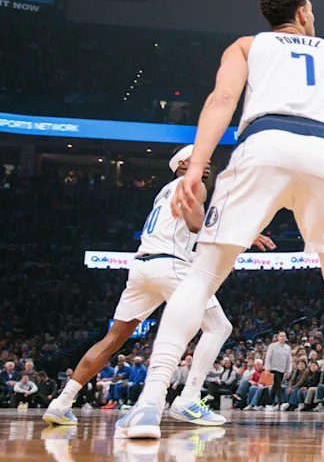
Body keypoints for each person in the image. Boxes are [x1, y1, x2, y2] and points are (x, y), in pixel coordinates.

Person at [116, 0, 324, 440]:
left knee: (202, 277)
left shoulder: (247, 45)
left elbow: (221, 101)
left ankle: (148, 405)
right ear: (302, 12)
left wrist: (196, 166)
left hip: (263, 144)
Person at [43, 148, 272, 427]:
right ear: (184, 164)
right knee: (218, 327)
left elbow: (184, 232)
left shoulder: (163, 192)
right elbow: (195, 224)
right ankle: (188, 399)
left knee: (112, 340)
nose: (209, 164)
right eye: (203, 159)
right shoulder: (194, 184)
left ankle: (62, 402)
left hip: (141, 267)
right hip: (170, 266)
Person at [264, 332, 293, 412]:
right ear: (278, 337)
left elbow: (289, 360)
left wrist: (288, 370)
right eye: (281, 336)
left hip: (282, 369)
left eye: (284, 336)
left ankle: (269, 404)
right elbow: (268, 357)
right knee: (278, 385)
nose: (282, 337)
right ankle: (281, 402)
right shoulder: (272, 346)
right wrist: (267, 368)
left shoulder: (287, 348)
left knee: (275, 386)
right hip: (273, 368)